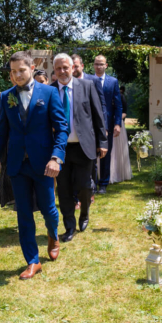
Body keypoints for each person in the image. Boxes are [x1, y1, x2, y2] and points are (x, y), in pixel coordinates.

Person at [0, 51, 68, 279]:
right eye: (13, 71)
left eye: (21, 70)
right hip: (17, 165)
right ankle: (32, 261)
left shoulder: (50, 93)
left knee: (48, 209)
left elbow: (61, 128)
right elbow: (2, 132)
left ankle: (53, 234)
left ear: (32, 68)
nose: (17, 75)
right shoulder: (6, 97)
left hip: (43, 163)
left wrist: (56, 157)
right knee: (23, 214)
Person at [52, 53, 107, 242]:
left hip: (85, 147)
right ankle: (69, 226)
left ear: (72, 68)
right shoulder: (49, 90)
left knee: (85, 186)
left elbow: (98, 115)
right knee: (64, 189)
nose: (62, 71)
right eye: (58, 68)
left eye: (65, 67)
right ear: (54, 70)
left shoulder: (87, 86)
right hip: (60, 149)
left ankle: (84, 213)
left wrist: (103, 142)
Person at [92, 55, 122, 194]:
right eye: (96, 64)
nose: (98, 66)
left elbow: (118, 104)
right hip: (90, 123)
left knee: (105, 153)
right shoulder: (88, 80)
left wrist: (117, 123)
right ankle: (92, 183)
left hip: (107, 124)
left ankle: (103, 183)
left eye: (101, 64)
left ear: (106, 65)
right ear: (93, 65)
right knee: (91, 153)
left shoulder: (113, 81)